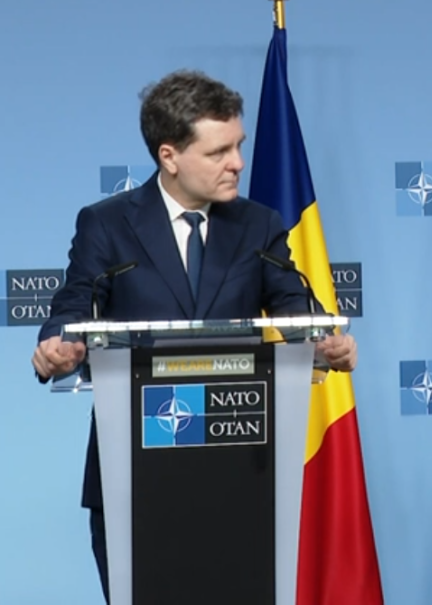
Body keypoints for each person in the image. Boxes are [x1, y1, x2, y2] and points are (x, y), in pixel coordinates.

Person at [30, 70, 358, 603]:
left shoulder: (258, 225)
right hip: (134, 474)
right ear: (170, 155)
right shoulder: (107, 224)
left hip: (239, 473)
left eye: (239, 145)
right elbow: (74, 304)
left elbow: (293, 303)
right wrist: (58, 347)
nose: (238, 163)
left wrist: (324, 342)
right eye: (219, 151)